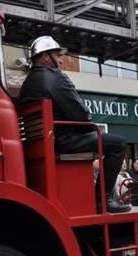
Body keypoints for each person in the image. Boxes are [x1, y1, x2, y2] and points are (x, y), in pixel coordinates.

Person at [18, 35, 130, 213]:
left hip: (40, 142)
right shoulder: (56, 78)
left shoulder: (27, 83)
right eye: (57, 55)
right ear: (46, 57)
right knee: (118, 144)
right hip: (63, 141)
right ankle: (103, 199)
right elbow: (81, 116)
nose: (61, 61)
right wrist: (88, 128)